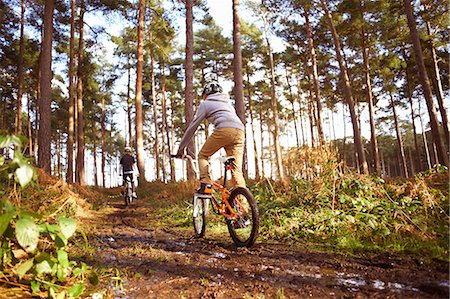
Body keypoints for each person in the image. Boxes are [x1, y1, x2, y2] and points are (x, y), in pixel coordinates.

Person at [175, 82, 246, 194]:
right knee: (236, 171)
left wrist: (181, 149)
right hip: (240, 131)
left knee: (203, 156)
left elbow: (193, 127)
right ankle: (243, 206)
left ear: (206, 94)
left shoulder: (205, 103)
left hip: (224, 129)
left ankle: (206, 184)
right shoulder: (228, 104)